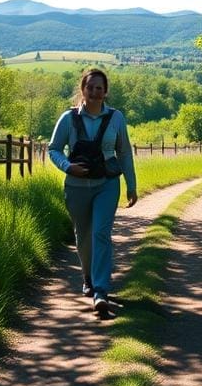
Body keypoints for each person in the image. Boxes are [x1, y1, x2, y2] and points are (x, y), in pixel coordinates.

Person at [48, 68, 137, 316]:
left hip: (107, 184)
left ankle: (100, 291)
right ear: (83, 90)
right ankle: (87, 277)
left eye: (100, 88)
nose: (95, 92)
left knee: (100, 233)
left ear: (105, 91)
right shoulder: (68, 119)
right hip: (76, 188)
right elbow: (53, 149)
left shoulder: (116, 118)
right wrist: (68, 167)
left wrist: (131, 185)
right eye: (91, 88)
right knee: (83, 236)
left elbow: (124, 152)